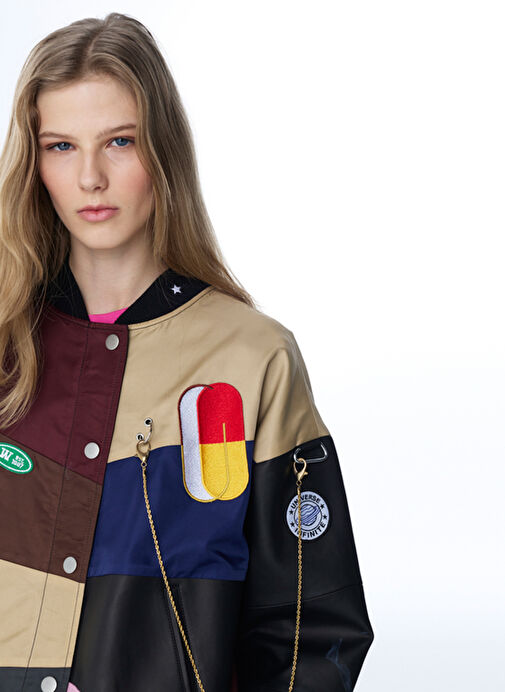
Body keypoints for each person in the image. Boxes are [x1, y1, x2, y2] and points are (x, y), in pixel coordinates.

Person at [0, 12, 374, 692]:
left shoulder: (252, 358)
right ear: (34, 164)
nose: (90, 177)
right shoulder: (5, 348)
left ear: (163, 150)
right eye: (60, 146)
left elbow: (310, 634)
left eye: (119, 141)